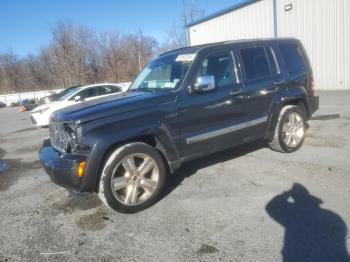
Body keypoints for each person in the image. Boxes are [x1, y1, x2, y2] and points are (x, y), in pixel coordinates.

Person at [266, 183, 350, 262]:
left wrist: (287, 193)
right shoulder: (332, 216)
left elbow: (271, 206)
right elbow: (341, 233)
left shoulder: (294, 211)